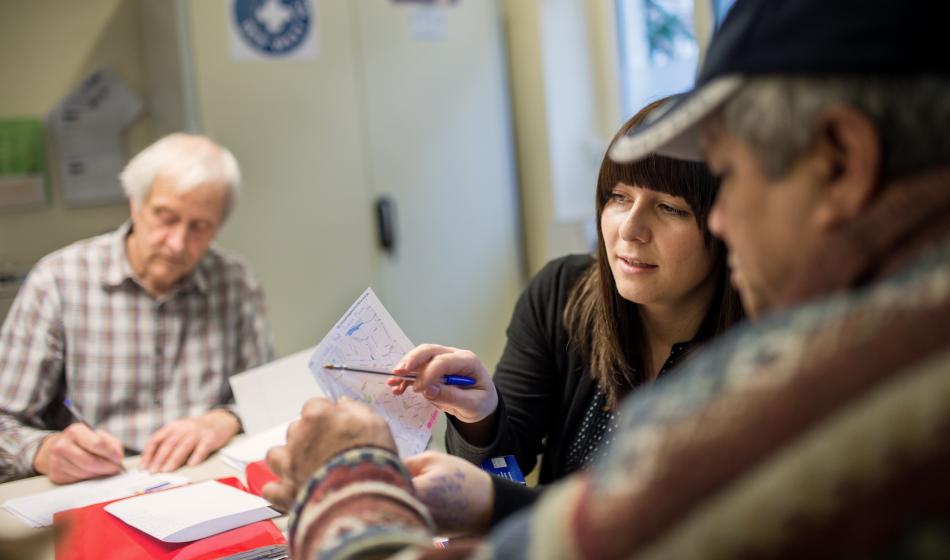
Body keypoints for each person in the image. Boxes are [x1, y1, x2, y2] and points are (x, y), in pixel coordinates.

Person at [265, 0, 950, 557]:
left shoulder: (822, 384)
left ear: (839, 162)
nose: (724, 222)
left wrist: (346, 472)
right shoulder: (568, 294)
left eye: (730, 180)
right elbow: (516, 460)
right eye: (616, 198)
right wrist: (487, 458)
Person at [389, 99, 743, 500]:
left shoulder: (761, 355)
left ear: (727, 225)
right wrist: (482, 415)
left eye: (669, 207)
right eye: (619, 197)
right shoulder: (562, 293)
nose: (630, 229)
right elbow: (507, 462)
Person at [0, 133, 274, 484]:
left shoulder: (235, 283)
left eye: (200, 227)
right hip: (95, 483)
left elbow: (266, 402)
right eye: (165, 217)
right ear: (136, 204)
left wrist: (224, 420)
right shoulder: (59, 280)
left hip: (207, 477)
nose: (177, 244)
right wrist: (45, 450)